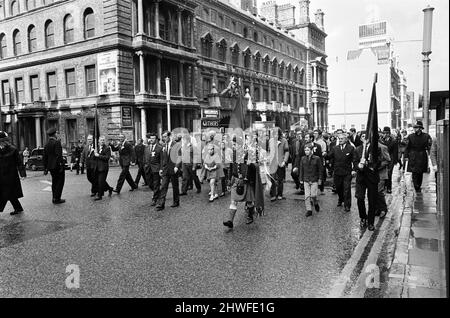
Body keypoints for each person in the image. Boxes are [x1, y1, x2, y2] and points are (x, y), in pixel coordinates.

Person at [223, 134, 265, 230]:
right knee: (233, 201)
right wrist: (229, 181)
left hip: (247, 182)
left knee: (249, 202)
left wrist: (251, 165)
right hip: (236, 181)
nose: (233, 146)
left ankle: (250, 215)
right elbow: (231, 168)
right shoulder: (233, 154)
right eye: (232, 145)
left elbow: (256, 166)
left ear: (239, 145)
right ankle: (230, 221)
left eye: (234, 144)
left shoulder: (248, 153)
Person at [354, 139, 382, 231]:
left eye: (366, 136)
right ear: (361, 138)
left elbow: (378, 162)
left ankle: (371, 222)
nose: (364, 138)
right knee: (360, 198)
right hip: (361, 178)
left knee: (372, 201)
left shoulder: (375, 149)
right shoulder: (358, 149)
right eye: (362, 136)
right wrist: (358, 166)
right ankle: (363, 217)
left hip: (372, 177)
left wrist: (368, 164)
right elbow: (354, 162)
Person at [325, 134, 356, 212]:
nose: (340, 140)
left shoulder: (351, 148)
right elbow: (329, 156)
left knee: (347, 189)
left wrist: (354, 169)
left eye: (342, 138)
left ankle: (347, 205)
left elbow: (354, 160)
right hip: (337, 172)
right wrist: (325, 155)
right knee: (338, 188)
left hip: (347, 172)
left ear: (346, 139)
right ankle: (341, 198)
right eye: (339, 139)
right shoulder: (335, 148)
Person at [0, 131, 26, 215]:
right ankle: (18, 208)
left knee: (5, 193)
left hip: (11, 176)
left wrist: (22, 174)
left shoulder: (13, 149)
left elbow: (19, 162)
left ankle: (17, 208)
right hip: (1, 176)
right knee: (10, 194)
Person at [294, 144, 323, 217]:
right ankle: (309, 210)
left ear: (311, 150)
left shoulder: (317, 158)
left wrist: (320, 179)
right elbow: (301, 169)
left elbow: (320, 170)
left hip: (314, 179)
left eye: (308, 150)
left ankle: (315, 203)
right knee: (307, 196)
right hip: (306, 179)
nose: (306, 152)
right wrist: (300, 179)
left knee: (313, 195)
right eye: (305, 150)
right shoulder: (303, 158)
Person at [156, 131, 182, 211]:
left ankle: (176, 201)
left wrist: (177, 166)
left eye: (165, 137)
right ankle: (161, 204)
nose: (164, 138)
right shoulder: (163, 146)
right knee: (163, 186)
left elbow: (179, 156)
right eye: (163, 137)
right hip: (165, 169)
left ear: (169, 136)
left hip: (173, 168)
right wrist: (161, 168)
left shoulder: (176, 145)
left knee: (175, 186)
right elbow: (162, 159)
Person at [404, 121, 432, 193]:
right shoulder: (410, 136)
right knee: (414, 172)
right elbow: (407, 147)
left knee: (420, 172)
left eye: (417, 127)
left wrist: (430, 155)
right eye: (415, 127)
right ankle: (416, 186)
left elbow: (429, 146)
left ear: (420, 128)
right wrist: (406, 156)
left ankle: (418, 185)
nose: (415, 129)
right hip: (413, 155)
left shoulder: (426, 136)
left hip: (422, 155)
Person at [43, 128, 66, 204]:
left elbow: (45, 157)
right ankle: (57, 198)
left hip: (51, 167)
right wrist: (61, 165)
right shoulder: (57, 142)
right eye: (56, 133)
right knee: (60, 182)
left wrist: (45, 168)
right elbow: (58, 155)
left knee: (54, 182)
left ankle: (54, 197)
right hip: (57, 166)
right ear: (54, 134)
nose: (57, 134)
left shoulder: (46, 144)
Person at [269, 128, 290, 201]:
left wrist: (284, 161)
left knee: (280, 179)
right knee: (272, 179)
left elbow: (287, 151)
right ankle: (273, 195)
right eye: (274, 134)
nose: (275, 135)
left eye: (276, 134)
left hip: (281, 163)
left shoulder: (284, 141)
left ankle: (280, 194)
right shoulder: (271, 141)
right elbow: (269, 151)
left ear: (279, 134)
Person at [143, 133, 163, 207]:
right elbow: (145, 157)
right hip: (148, 168)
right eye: (150, 138)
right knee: (149, 183)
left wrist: (161, 169)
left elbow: (161, 159)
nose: (151, 140)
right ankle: (159, 193)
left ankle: (154, 199)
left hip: (156, 168)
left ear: (156, 139)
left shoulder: (159, 148)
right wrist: (144, 165)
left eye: (153, 138)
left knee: (156, 184)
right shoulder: (147, 148)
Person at [93, 136, 113, 200]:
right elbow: (95, 157)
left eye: (103, 140)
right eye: (101, 140)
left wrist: (98, 155)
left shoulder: (107, 148)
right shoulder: (98, 148)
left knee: (100, 182)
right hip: (97, 167)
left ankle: (100, 196)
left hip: (104, 168)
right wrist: (94, 154)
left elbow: (107, 158)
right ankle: (110, 188)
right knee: (102, 181)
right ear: (98, 141)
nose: (102, 141)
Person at [376, 139, 391, 219]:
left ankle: (383, 209)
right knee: (374, 192)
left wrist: (378, 167)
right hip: (372, 175)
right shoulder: (368, 148)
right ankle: (377, 209)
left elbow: (388, 160)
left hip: (381, 173)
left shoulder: (383, 147)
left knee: (379, 192)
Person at [380, 127, 398, 194]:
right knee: (383, 173)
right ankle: (384, 186)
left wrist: (395, 160)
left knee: (389, 173)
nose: (385, 134)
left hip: (390, 158)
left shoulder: (393, 141)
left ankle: (389, 188)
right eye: (384, 133)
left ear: (389, 133)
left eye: (387, 133)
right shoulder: (381, 140)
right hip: (383, 159)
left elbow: (395, 151)